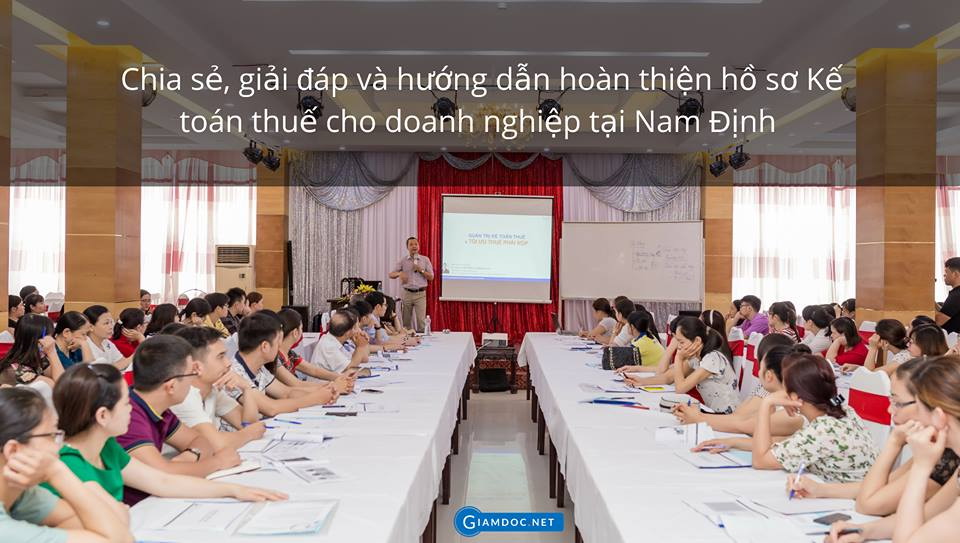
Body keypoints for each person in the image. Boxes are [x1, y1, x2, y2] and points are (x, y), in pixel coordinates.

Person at [49, 364, 284, 508]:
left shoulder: (106, 448)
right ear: (102, 415)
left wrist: (233, 490)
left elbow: (162, 482)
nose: (131, 408)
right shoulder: (69, 464)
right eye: (125, 403)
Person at [790, 358, 960, 517]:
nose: (890, 410)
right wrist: (820, 489)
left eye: (897, 402)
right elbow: (888, 484)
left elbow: (868, 504)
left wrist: (894, 442)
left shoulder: (946, 457)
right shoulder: (937, 447)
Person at [827, 355, 960, 542]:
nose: (890, 410)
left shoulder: (938, 457)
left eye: (898, 402)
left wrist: (921, 467)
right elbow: (928, 516)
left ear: (939, 416)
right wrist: (863, 531)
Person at [694, 353, 878, 483]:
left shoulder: (822, 430)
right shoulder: (843, 411)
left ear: (794, 397)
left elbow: (761, 461)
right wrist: (733, 442)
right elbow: (784, 444)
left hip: (848, 505)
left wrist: (767, 404)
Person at [115, 335, 241, 505]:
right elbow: (162, 474)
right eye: (191, 374)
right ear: (171, 386)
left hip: (159, 500)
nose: (194, 380)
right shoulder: (128, 416)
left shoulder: (158, 408)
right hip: (138, 509)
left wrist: (191, 455)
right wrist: (217, 462)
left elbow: (200, 440)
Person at [0, 387, 134, 543]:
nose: (60, 446)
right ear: (13, 450)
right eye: (52, 436)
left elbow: (110, 527)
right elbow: (121, 540)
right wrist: (56, 472)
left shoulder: (22, 494)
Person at [674, 343, 809, 437]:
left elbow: (742, 424)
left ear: (769, 375)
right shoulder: (781, 400)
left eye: (760, 367)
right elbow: (743, 420)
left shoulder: (792, 413)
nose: (758, 372)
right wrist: (697, 416)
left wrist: (698, 418)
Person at [168, 327, 265, 449]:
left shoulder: (212, 389)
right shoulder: (184, 397)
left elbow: (248, 424)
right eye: (221, 356)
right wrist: (249, 434)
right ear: (196, 367)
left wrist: (247, 388)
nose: (228, 363)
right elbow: (217, 444)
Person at [229, 313, 337, 417]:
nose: (280, 346)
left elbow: (287, 392)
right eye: (277, 343)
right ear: (265, 346)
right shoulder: (235, 373)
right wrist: (316, 399)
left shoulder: (259, 367)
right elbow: (271, 408)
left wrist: (327, 391)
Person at [630, 317, 739, 414]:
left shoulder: (712, 359)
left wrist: (678, 358)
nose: (678, 346)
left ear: (697, 340)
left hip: (727, 417)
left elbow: (680, 389)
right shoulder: (696, 359)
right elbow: (667, 377)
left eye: (681, 342)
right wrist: (641, 381)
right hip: (712, 412)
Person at [276, 309, 356, 391]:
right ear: (295, 332)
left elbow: (314, 370)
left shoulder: (290, 354)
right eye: (301, 328)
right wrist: (334, 386)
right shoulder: (276, 359)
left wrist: (341, 377)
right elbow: (296, 384)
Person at [0, 314, 63, 387]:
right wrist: (52, 352)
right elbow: (61, 386)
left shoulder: (38, 357)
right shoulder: (15, 370)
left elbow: (63, 379)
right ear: (40, 340)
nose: (53, 340)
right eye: (50, 336)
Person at [388, 237, 434, 332]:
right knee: (406, 322)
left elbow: (431, 277)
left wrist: (420, 270)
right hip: (407, 294)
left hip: (420, 294)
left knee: (421, 322)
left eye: (416, 244)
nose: (414, 246)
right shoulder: (403, 260)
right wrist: (399, 273)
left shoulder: (425, 260)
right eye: (411, 244)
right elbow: (391, 274)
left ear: (419, 246)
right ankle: (408, 339)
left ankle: (423, 339)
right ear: (407, 247)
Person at [83, 306, 130, 372]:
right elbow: (101, 371)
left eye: (111, 322)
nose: (111, 327)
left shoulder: (107, 342)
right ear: (90, 327)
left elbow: (122, 361)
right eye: (106, 323)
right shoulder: (85, 346)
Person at [935, 257, 960, 334]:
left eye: (946, 272)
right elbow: (945, 312)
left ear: (955, 274)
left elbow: (938, 321)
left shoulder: (956, 295)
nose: (944, 275)